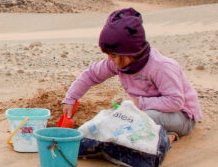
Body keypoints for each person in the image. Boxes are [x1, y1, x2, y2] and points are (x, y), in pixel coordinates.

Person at [61, 8, 201, 141]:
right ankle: (159, 134)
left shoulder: (161, 67)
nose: (109, 59)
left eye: (113, 56)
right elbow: (91, 75)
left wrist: (139, 103)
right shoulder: (118, 62)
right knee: (122, 116)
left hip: (181, 117)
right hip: (147, 110)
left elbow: (175, 102)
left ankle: (165, 139)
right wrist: (71, 98)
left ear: (130, 53)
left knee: (133, 119)